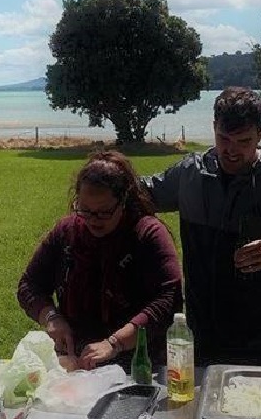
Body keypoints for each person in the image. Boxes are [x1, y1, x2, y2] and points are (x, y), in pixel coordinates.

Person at [143, 87, 261, 367]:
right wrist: (106, 178)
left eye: (244, 141)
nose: (231, 151)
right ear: (214, 128)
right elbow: (142, 194)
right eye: (223, 138)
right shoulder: (191, 174)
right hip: (204, 333)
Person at [18, 150, 183, 371]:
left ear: (123, 202)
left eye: (104, 212)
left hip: (138, 365)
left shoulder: (148, 234)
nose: (93, 220)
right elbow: (30, 284)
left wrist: (114, 343)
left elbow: (168, 300)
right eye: (85, 210)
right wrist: (50, 316)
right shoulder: (66, 232)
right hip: (76, 364)